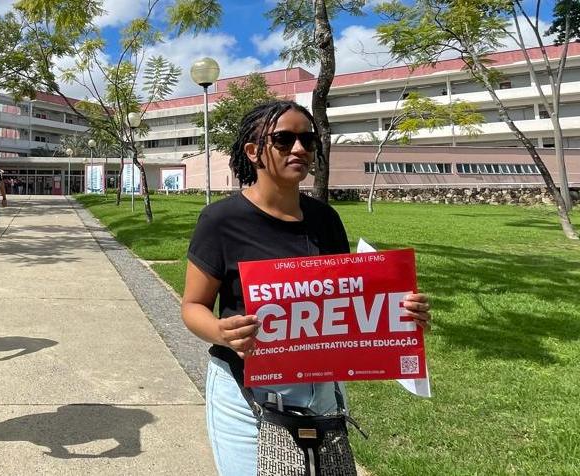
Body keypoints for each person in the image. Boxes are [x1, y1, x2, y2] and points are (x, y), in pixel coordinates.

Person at [180, 100, 432, 476]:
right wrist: (221, 331)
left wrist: (401, 315)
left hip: (321, 387)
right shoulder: (221, 220)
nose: (299, 149)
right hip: (244, 388)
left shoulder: (325, 220)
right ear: (253, 152)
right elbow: (192, 306)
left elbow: (345, 304)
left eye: (308, 140)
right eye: (283, 140)